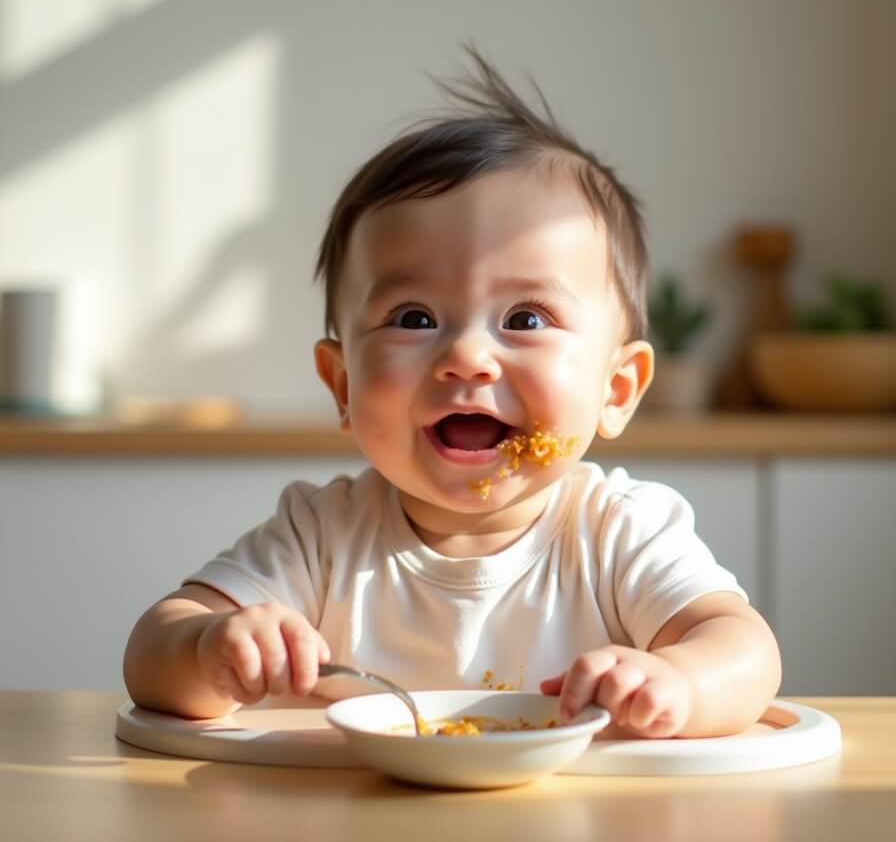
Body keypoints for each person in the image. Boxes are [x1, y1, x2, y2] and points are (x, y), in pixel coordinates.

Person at [124, 47, 781, 738]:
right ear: (342, 384)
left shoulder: (617, 532)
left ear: (617, 389)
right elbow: (151, 652)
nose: (466, 356)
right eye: (414, 318)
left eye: (525, 319)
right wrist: (209, 651)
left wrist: (680, 681)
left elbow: (745, 651)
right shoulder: (319, 537)